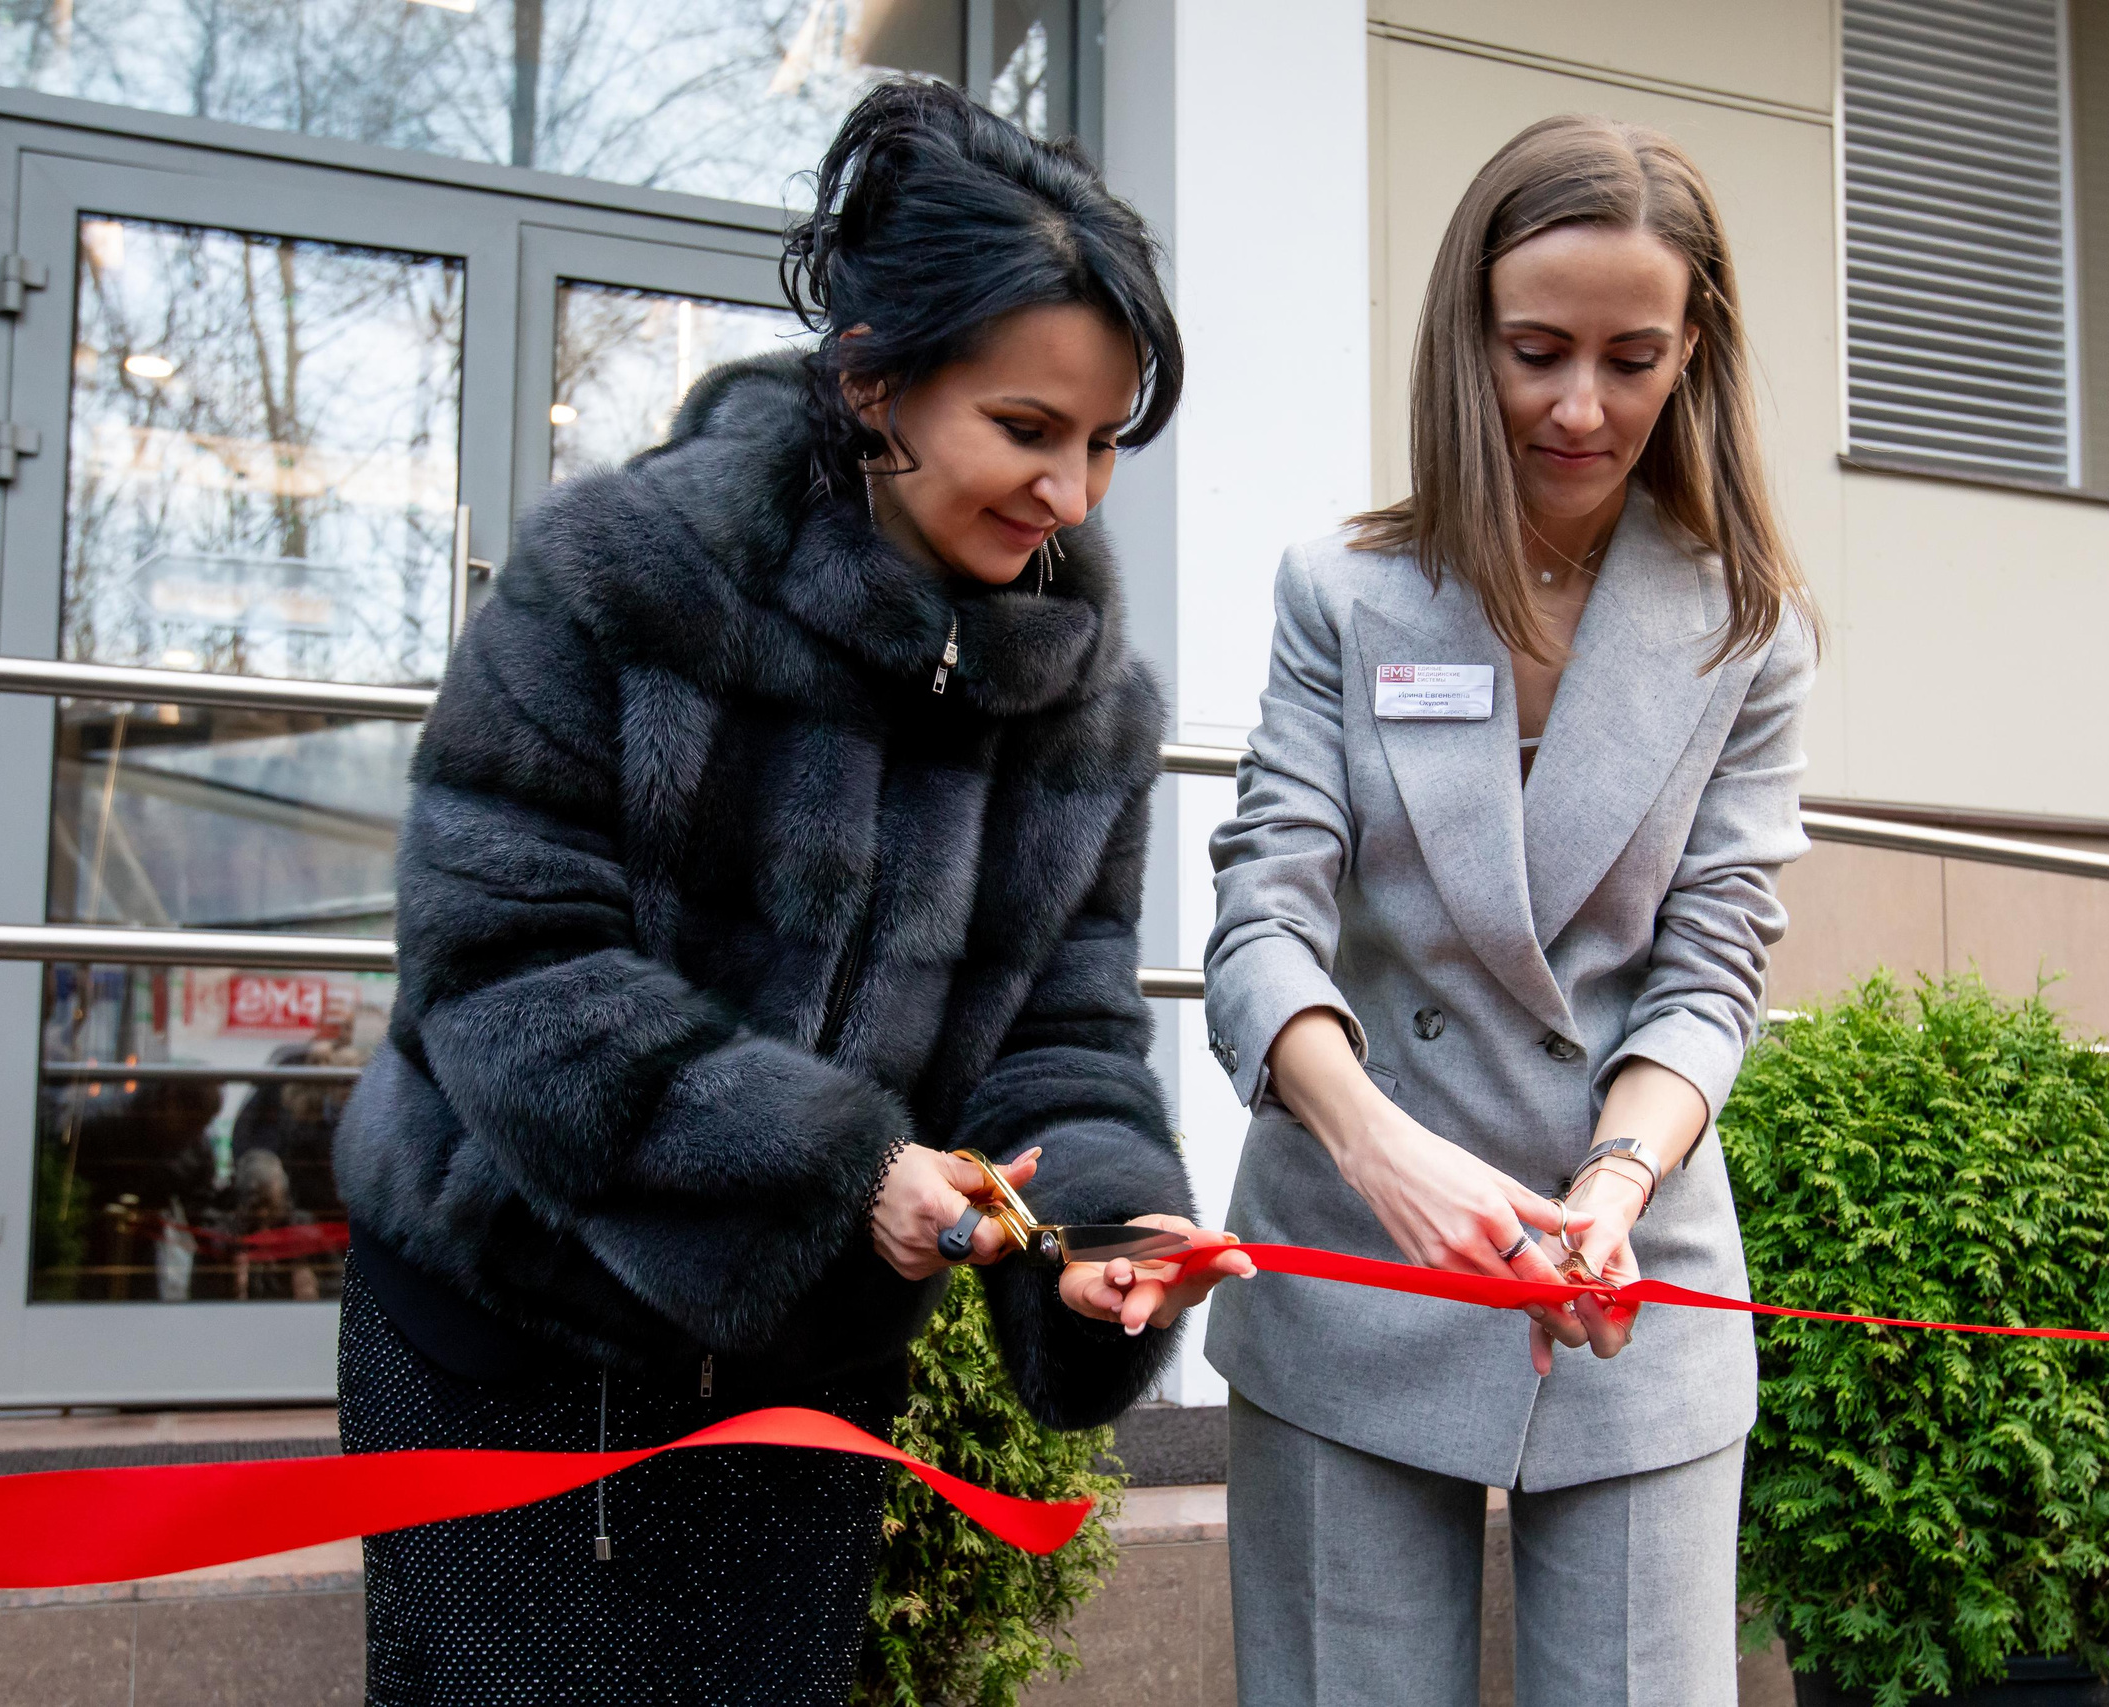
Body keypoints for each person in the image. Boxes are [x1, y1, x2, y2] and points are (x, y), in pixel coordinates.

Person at [333, 79, 1249, 1706]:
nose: (1072, 494)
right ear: (876, 378)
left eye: (1104, 443)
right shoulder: (622, 577)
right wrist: (845, 1168)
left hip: (803, 1383)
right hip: (504, 1327)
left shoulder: (1087, 708)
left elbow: (1068, 1031)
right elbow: (504, 967)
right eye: (1025, 430)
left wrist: (1094, 1237)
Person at [1201, 113, 1818, 1704]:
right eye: (1535, 349)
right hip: (1357, 1260)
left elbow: (1713, 967)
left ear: (1695, 356)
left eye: (1632, 357)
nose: (1576, 405)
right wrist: (1376, 1148)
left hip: (1630, 1273)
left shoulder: (1745, 627)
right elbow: (1262, 919)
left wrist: (1616, 1179)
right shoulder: (1342, 594)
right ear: (1463, 334)